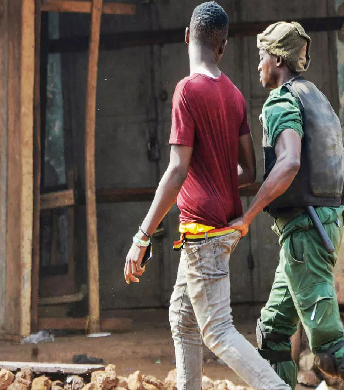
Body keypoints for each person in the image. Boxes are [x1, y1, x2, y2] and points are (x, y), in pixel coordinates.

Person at [124, 3, 291, 390]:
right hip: (221, 230)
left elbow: (177, 169)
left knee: (217, 331)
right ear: (223, 46)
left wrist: (142, 236)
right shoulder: (233, 94)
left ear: (187, 35)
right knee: (183, 317)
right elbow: (248, 172)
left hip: (202, 234)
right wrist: (217, 176)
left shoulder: (187, 90)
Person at [229, 22, 344, 390]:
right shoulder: (320, 103)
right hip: (317, 234)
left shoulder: (281, 102)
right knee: (273, 332)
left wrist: (247, 215)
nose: (259, 65)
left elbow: (289, 163)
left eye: (262, 57)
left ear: (277, 59)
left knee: (328, 351)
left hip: (304, 237)